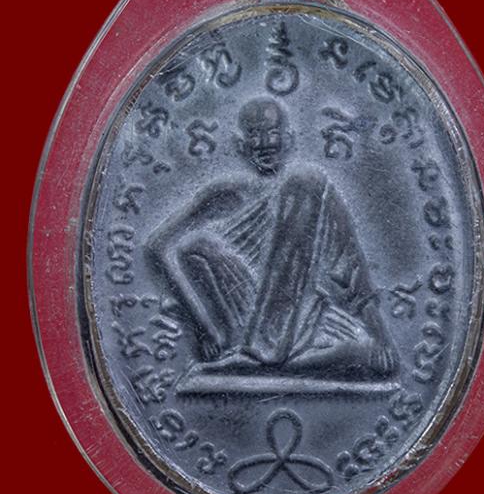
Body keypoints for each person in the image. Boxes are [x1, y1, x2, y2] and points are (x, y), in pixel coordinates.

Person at [146, 98, 398, 382]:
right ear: (241, 144)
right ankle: (266, 355)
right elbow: (157, 245)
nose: (265, 143)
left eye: (273, 133)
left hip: (303, 315)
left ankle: (264, 361)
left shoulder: (313, 192)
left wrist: (379, 332)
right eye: (255, 134)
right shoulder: (226, 191)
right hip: (247, 319)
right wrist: (203, 326)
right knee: (198, 243)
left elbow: (349, 263)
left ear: (288, 139)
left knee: (365, 349)